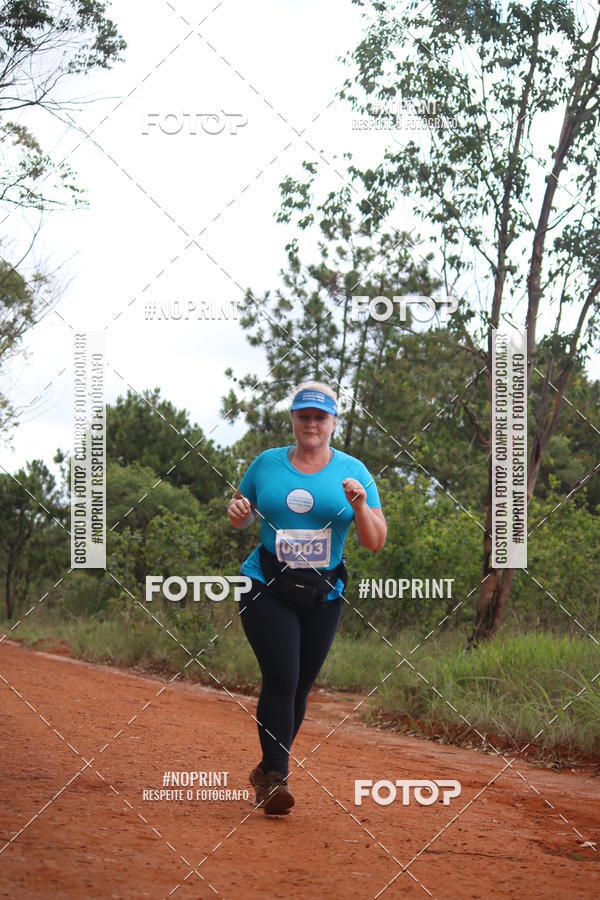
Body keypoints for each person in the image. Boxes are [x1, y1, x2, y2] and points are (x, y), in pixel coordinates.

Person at [227, 380, 387, 815]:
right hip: (264, 584)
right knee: (282, 676)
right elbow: (241, 510)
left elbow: (375, 541)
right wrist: (237, 511)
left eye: (320, 417)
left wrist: (358, 507)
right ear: (294, 420)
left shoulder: (355, 473)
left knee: (299, 686)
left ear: (334, 422)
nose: (312, 424)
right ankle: (277, 777)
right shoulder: (267, 464)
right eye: (304, 416)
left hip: (324, 592)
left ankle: (266, 768)